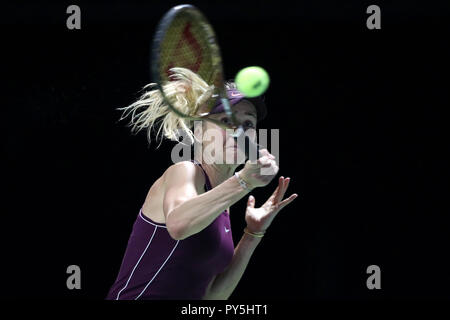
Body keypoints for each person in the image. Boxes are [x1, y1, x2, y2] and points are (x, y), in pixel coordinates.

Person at [106, 68, 297, 300]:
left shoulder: (222, 203)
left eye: (248, 124)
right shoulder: (185, 172)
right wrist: (244, 181)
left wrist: (253, 233)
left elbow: (212, 297)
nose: (239, 131)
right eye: (226, 120)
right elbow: (178, 225)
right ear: (199, 131)